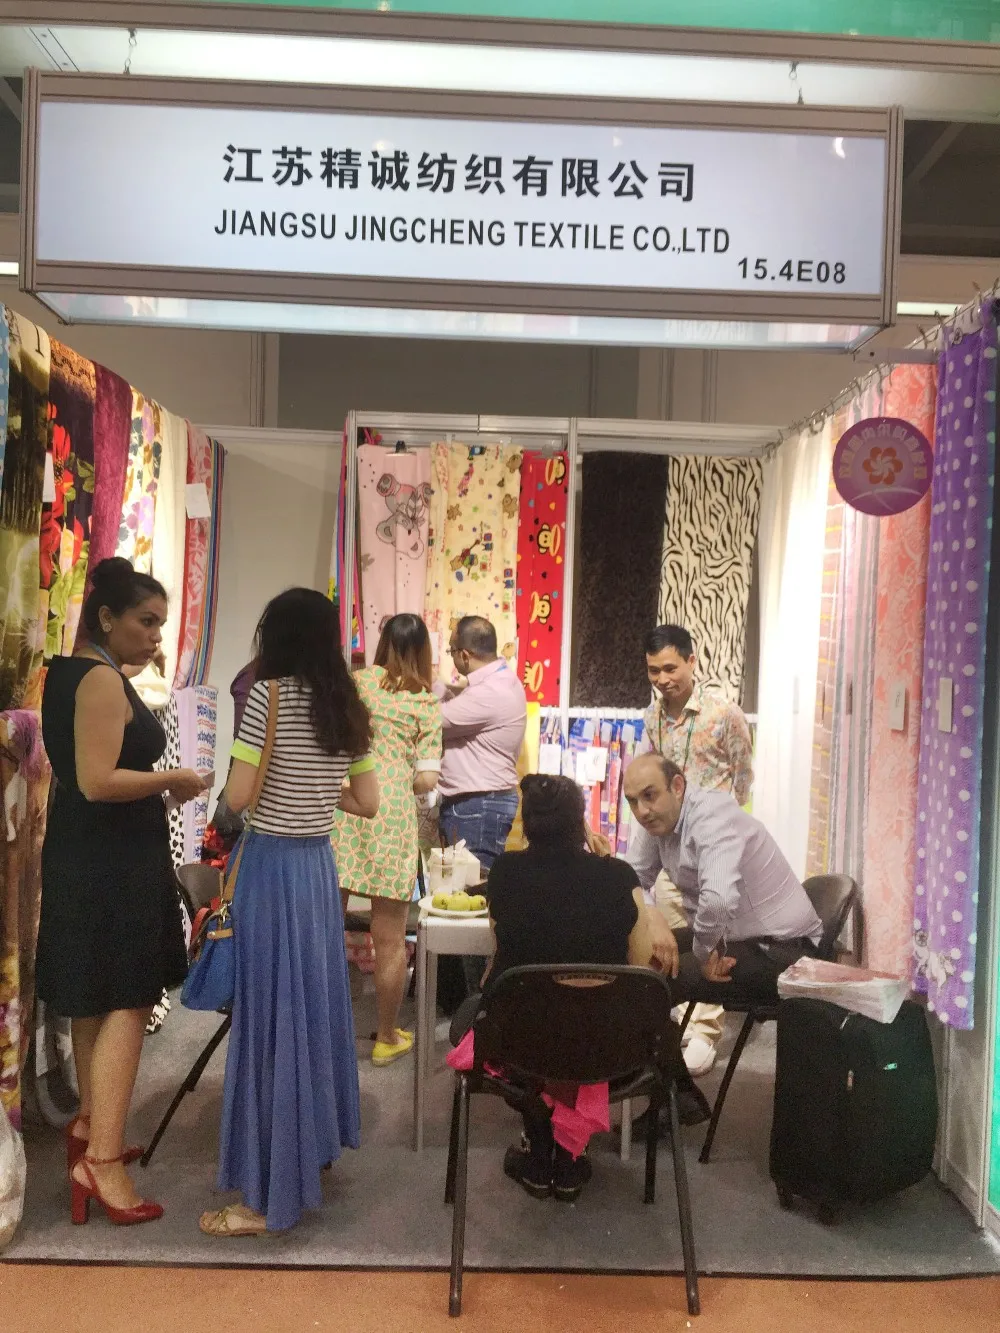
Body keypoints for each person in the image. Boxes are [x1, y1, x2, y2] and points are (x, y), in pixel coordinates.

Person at [199, 588, 378, 1238]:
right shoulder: (346, 708)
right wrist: (316, 789)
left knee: (270, 1021)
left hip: (271, 871)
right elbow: (368, 801)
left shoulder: (266, 698)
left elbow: (238, 797)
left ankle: (265, 1198)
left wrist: (244, 787)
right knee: (313, 1013)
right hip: (316, 871)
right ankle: (311, 1151)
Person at [36, 557, 208, 1227]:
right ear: (107, 618)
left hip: (90, 854)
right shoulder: (102, 679)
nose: (156, 636)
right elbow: (98, 779)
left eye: (160, 623)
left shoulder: (73, 672)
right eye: (147, 621)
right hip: (111, 861)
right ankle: (102, 1159)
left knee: (96, 995)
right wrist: (172, 779)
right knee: (129, 999)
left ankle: (91, 1128)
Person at [451, 775, 674, 1202]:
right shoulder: (618, 876)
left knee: (520, 1010)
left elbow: (501, 954)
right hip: (610, 1048)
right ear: (581, 824)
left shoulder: (505, 872)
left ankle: (539, 1150)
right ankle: (569, 1155)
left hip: (520, 1047)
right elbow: (639, 964)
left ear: (527, 823)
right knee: (579, 1015)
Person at [624, 754, 821, 1015]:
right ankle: (653, 1042)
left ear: (677, 787)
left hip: (784, 950)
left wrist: (703, 954)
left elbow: (718, 901)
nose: (641, 811)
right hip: (734, 937)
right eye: (632, 801)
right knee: (632, 961)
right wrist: (651, 914)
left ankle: (654, 1043)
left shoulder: (712, 815)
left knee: (655, 982)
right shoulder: (660, 819)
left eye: (650, 795)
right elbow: (629, 879)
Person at [641, 623, 755, 1078]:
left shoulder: (723, 713)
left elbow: (743, 774)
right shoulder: (652, 717)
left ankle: (705, 1030)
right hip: (670, 843)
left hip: (711, 845)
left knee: (711, 930)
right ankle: (680, 1020)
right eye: (654, 671)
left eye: (670, 668)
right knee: (672, 933)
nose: (663, 679)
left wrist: (723, 825)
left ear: (691, 661)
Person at [332, 614, 442, 1067]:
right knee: (391, 938)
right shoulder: (425, 702)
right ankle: (387, 1036)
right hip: (392, 815)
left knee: (327, 927)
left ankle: (321, 1029)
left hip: (345, 805)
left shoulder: (357, 683)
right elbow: (427, 779)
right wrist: (399, 775)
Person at [436, 615, 527, 1000]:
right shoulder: (497, 681)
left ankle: (479, 1007)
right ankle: (459, 1000)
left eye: (450, 651)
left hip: (477, 807)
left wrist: (423, 687)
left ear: (464, 654)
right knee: (457, 903)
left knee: (471, 910)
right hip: (474, 805)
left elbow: (433, 719)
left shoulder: (490, 693)